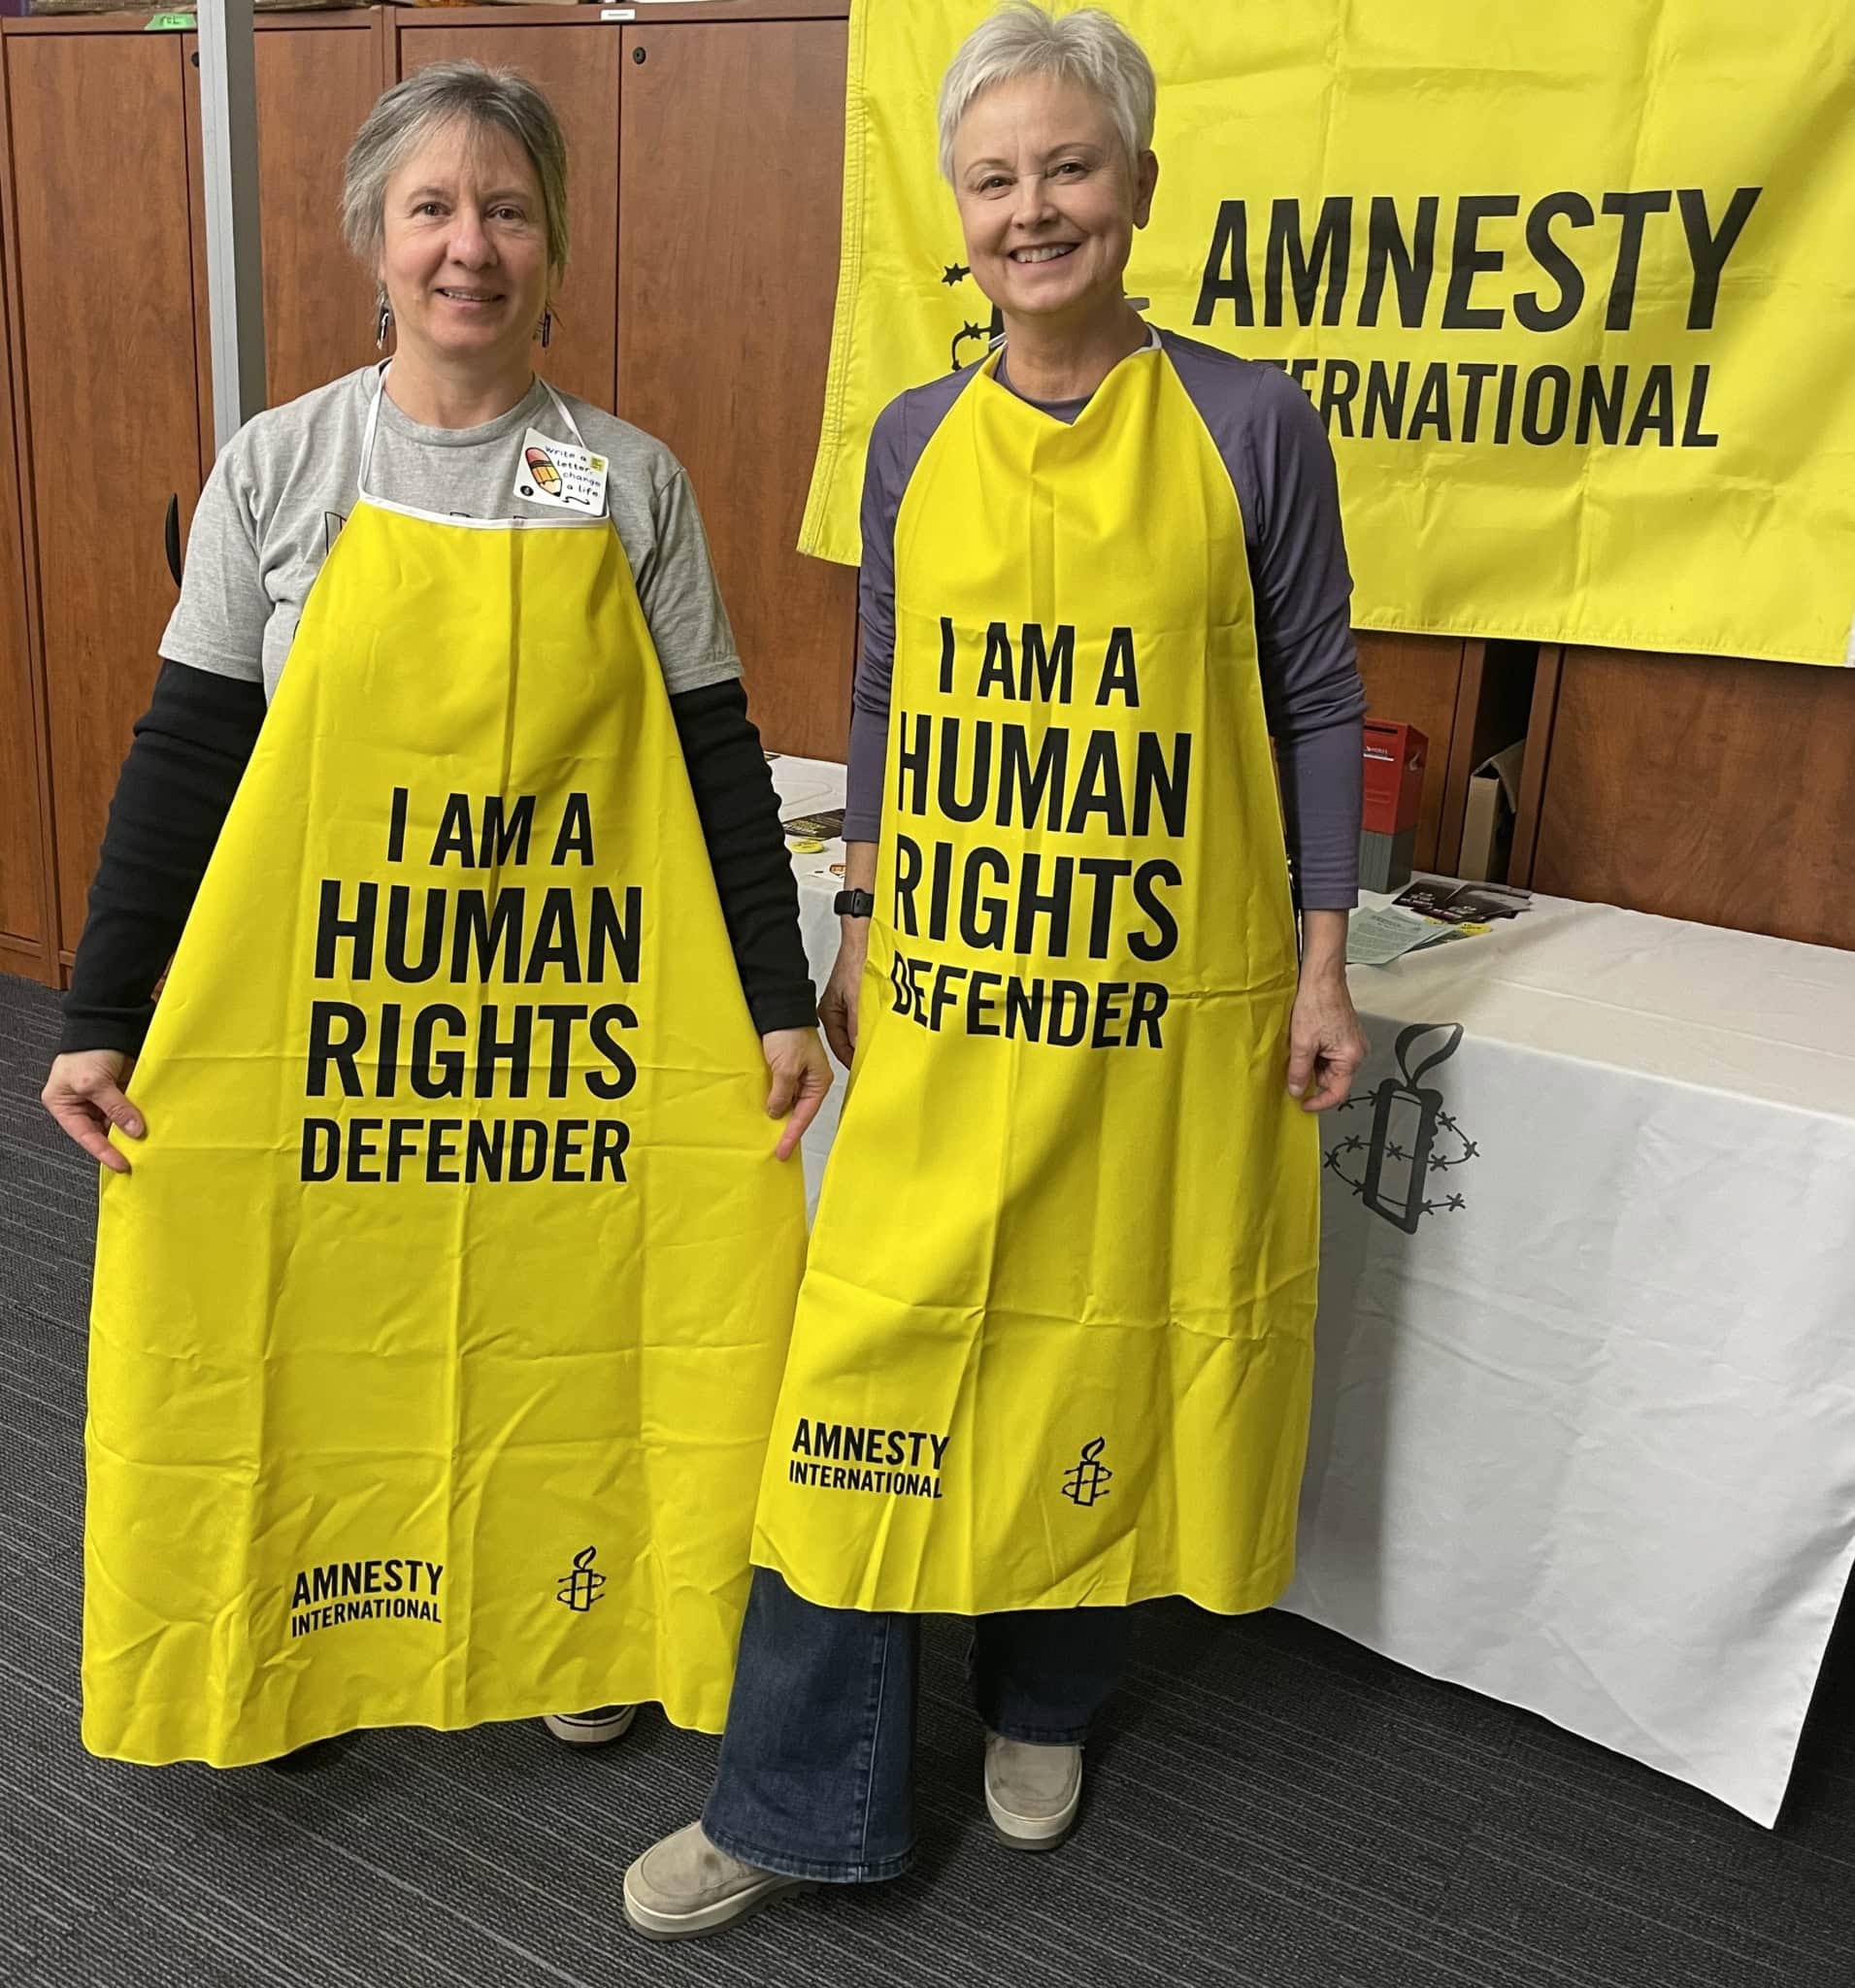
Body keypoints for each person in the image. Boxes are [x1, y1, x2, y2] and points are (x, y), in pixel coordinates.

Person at [623, 3, 1369, 1940]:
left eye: (1067, 167)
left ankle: (1042, 1700)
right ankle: (803, 1795)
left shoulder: (1252, 425)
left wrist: (1319, 965)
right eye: (991, 178)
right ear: (953, 214)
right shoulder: (911, 437)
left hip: (1159, 1016)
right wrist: (862, 919)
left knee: (1092, 1341)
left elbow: (1312, 698)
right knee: (860, 1375)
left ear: (1139, 186)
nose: (1029, 208)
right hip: (951, 1006)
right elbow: (884, 684)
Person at [44, 62, 830, 1769]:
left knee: (560, 1320)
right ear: (374, 241)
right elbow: (188, 757)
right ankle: (299, 1616)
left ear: (555, 248)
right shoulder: (281, 468)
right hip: (342, 1014)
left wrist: (775, 997)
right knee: (320, 1317)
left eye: (509, 210)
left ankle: (571, 1614)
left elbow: (713, 758)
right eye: (433, 208)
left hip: (560, 1018)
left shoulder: (628, 482)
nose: (470, 245)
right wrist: (101, 1013)